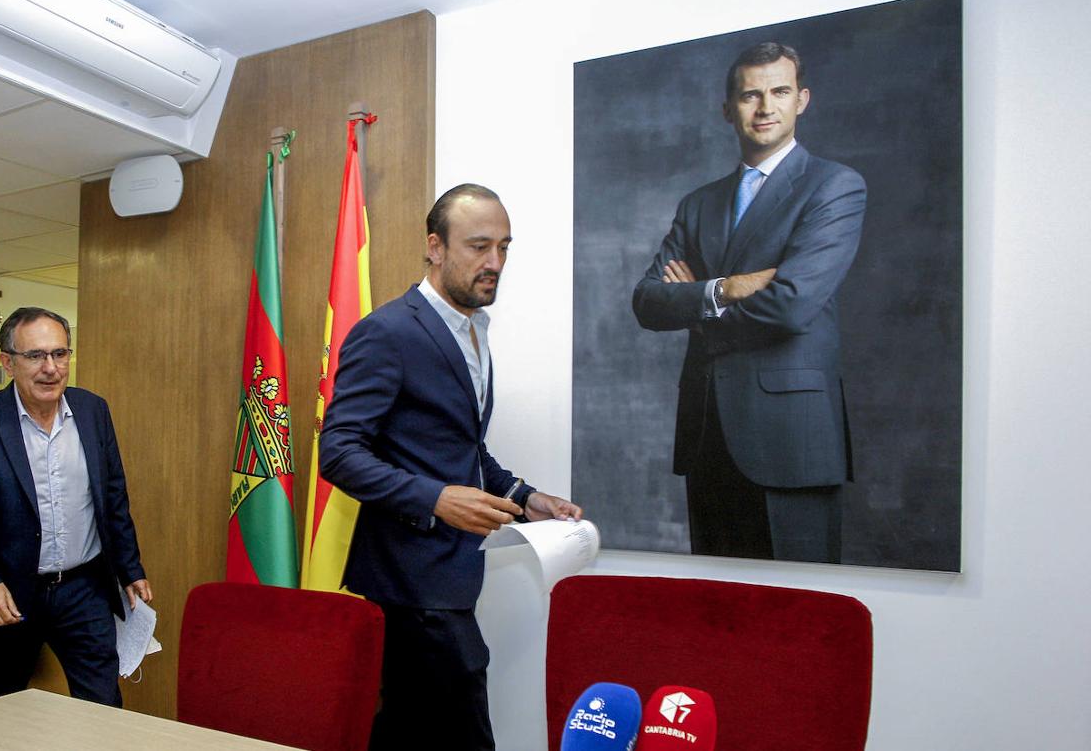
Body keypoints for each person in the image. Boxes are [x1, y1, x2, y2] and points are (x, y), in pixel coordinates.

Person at [319, 183, 582, 751]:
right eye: (480, 246)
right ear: (435, 248)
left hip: (452, 576)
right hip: (408, 580)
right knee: (464, 731)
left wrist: (525, 497)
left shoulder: (474, 330)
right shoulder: (388, 331)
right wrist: (436, 499)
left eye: (505, 248)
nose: (495, 264)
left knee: (406, 730)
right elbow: (337, 452)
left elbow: (464, 449)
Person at [632, 42, 866, 563]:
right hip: (706, 435)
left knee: (798, 615)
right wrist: (724, 288)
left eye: (779, 92)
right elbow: (648, 301)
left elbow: (791, 304)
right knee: (714, 616)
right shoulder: (699, 203)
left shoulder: (834, 188)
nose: (765, 107)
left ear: (801, 100)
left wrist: (695, 306)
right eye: (750, 95)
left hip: (792, 439)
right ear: (727, 109)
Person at [0, 307, 150, 706]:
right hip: (9, 593)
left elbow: (113, 495)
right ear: (8, 362)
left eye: (60, 354)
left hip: (84, 589)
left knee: (102, 703)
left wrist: (130, 568)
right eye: (36, 356)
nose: (51, 368)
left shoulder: (93, 411)